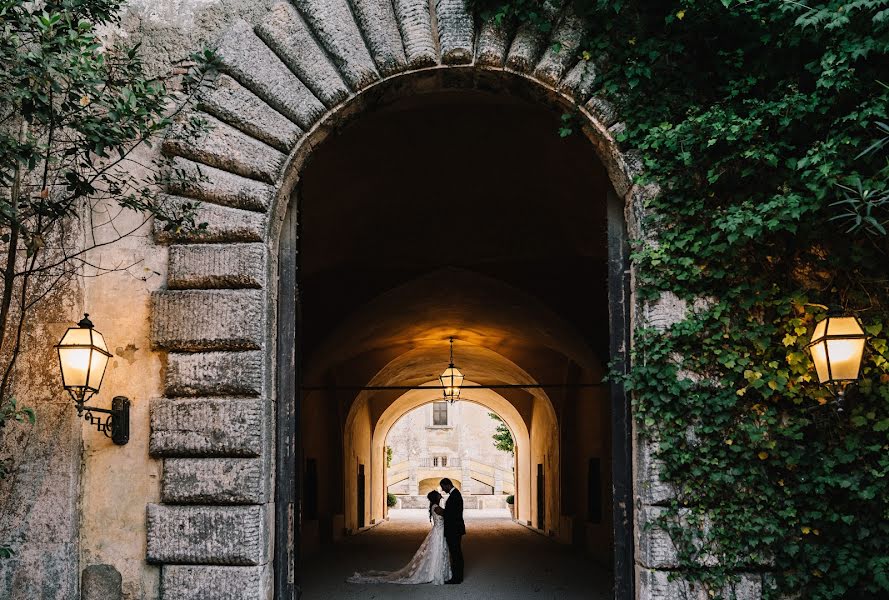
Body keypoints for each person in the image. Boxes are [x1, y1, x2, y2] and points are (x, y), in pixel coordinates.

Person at [346, 490, 452, 585]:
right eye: (438, 495)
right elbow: (447, 514)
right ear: (435, 498)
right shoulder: (436, 507)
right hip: (438, 532)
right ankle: (435, 573)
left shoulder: (434, 506)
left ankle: (435, 572)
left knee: (436, 552)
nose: (440, 495)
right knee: (437, 551)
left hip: (439, 532)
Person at [440, 477, 465, 584]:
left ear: (447, 485)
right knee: (456, 553)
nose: (442, 490)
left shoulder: (455, 495)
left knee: (456, 553)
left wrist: (442, 512)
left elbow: (452, 514)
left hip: (454, 529)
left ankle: (457, 578)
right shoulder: (455, 494)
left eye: (443, 487)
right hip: (455, 528)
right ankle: (457, 576)